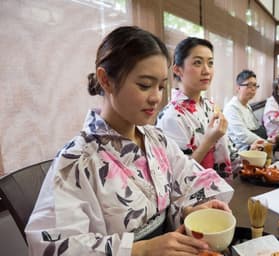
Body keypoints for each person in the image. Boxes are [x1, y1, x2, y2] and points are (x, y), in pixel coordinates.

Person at [25, 26, 234, 256]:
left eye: (161, 86)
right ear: (105, 80)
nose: (156, 97)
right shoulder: (76, 161)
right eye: (145, 85)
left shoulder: (157, 140)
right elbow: (53, 246)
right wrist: (140, 249)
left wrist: (190, 211)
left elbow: (185, 186)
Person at [156, 37, 233, 179]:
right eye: (198, 63)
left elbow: (225, 150)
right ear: (178, 70)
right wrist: (209, 141)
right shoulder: (170, 116)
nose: (206, 70)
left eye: (210, 63)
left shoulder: (210, 106)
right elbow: (177, 175)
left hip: (221, 187)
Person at [223, 69, 267, 152]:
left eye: (255, 85)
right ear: (238, 87)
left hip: (255, 149)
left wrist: (268, 140)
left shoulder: (247, 106)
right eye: (249, 85)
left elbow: (255, 127)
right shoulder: (231, 108)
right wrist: (265, 143)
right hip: (241, 154)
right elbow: (243, 135)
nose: (253, 89)